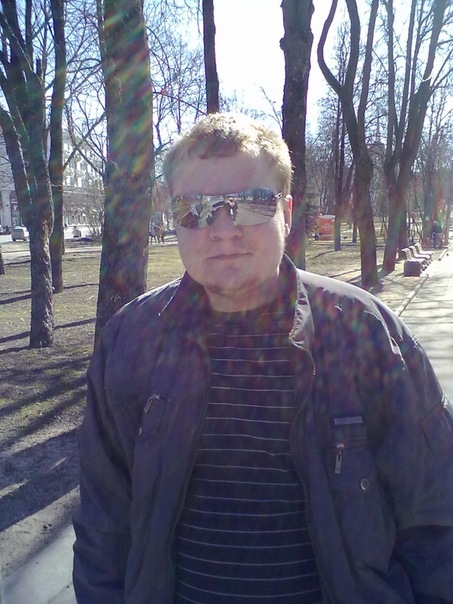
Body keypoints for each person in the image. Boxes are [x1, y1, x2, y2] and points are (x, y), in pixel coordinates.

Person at [73, 112, 453, 604]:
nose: (223, 229)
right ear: (173, 219)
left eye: (251, 203)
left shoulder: (368, 334)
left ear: (287, 212)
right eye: (195, 209)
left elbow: (436, 518)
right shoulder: (129, 343)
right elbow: (103, 529)